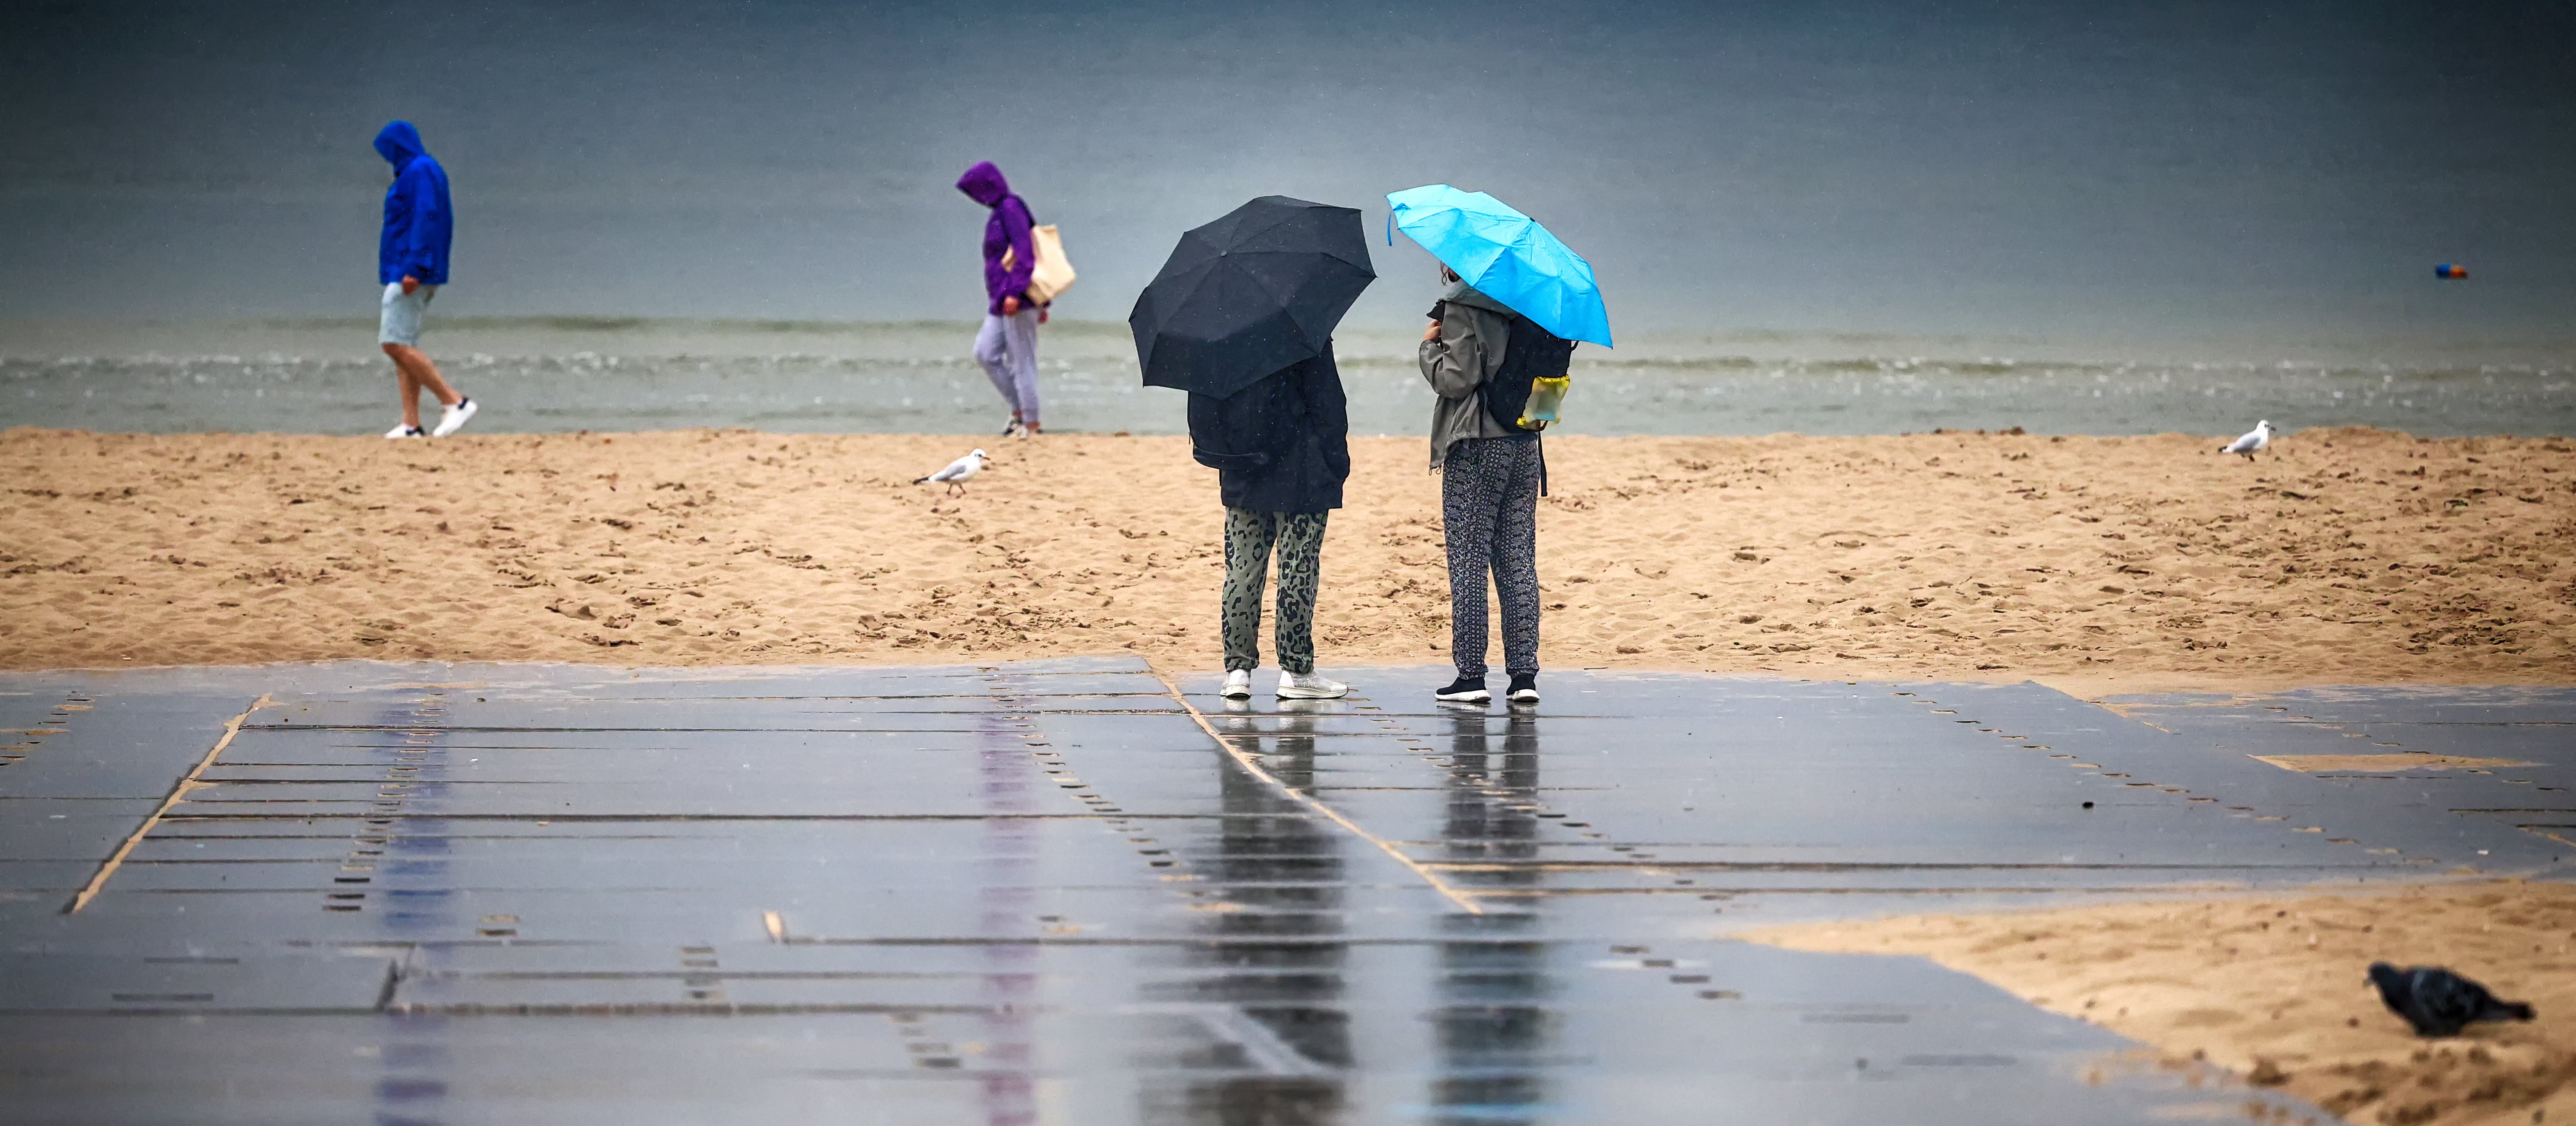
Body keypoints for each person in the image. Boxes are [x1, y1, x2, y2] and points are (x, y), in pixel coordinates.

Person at [1420, 267, 1555, 705]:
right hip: (1526, 440)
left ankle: (1471, 676)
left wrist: (1429, 348)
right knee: (1518, 559)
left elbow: (1456, 379)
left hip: (1478, 441)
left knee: (1469, 558)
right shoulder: (1536, 302)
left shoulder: (1465, 303)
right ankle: (1524, 677)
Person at [1189, 351, 1353, 700]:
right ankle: (1297, 671)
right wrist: (1337, 464)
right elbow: (1328, 403)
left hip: (1243, 467)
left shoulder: (1222, 337)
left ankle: (1237, 671)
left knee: (1242, 570)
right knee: (1298, 569)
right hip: (1301, 470)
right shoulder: (1304, 337)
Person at [373, 121, 474, 439]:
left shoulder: (420, 170)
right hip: (408, 267)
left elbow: (427, 218)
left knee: (393, 343)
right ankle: (411, 424)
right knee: (404, 344)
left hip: (412, 269)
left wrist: (415, 267)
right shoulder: (418, 170)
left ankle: (455, 402)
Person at [956, 161, 1048, 437]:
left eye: (976, 192)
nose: (976, 199)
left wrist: (1015, 293)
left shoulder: (1011, 208)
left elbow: (1026, 254)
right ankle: (1019, 409)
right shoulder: (999, 211)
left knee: (1022, 362)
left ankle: (1031, 423)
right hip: (1000, 300)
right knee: (985, 353)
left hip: (1016, 299)